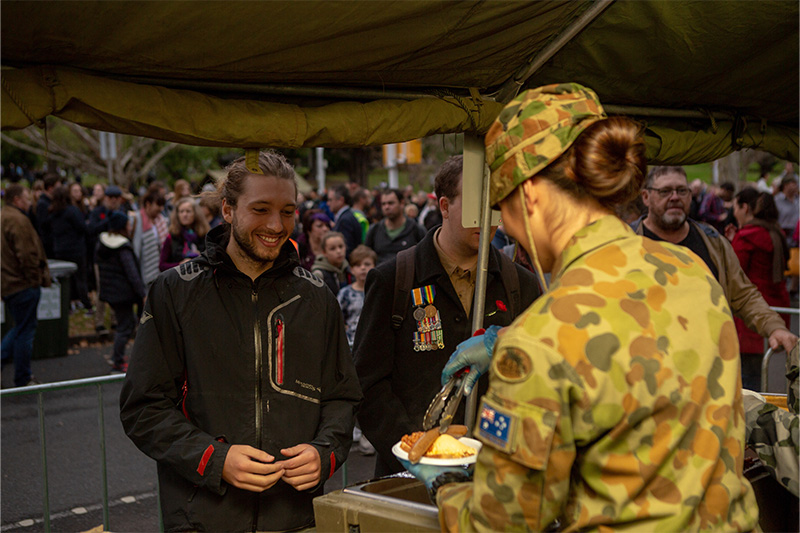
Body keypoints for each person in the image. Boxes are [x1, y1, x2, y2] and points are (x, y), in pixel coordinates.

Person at [410, 83, 759, 531]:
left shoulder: (538, 340)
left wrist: (447, 486)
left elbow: (503, 522)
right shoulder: (690, 272)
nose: (505, 228)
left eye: (503, 207)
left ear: (531, 194)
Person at [119, 150, 361, 531]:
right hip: (201, 519)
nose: (276, 225)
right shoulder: (175, 292)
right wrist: (215, 459)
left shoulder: (318, 298)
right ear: (228, 210)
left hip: (297, 518)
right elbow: (143, 409)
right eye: (261, 209)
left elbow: (341, 398)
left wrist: (324, 453)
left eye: (287, 211)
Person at [354, 155, 540, 476]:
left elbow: (537, 379)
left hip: (494, 473)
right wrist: (416, 449)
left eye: (496, 203)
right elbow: (367, 384)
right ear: (444, 206)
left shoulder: (520, 284)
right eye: (475, 204)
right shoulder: (394, 279)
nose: (486, 215)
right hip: (410, 470)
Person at [632, 166, 796, 358]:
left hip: (706, 366)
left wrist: (775, 327)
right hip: (645, 365)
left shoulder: (712, 242)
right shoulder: (625, 243)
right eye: (665, 191)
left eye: (682, 190)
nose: (675, 197)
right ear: (646, 197)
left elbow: (743, 294)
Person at [726, 188, 791, 389]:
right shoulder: (775, 232)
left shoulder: (747, 236)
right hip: (776, 305)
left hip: (752, 315)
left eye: (735, 207)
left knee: (747, 377)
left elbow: (734, 273)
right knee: (759, 371)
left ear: (745, 208)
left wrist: (731, 243)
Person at [1, 184, 51, 387]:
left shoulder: (4, 216)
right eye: (27, 198)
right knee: (24, 330)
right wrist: (34, 280)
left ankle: (21, 374)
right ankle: (23, 376)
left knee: (19, 328)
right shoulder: (18, 220)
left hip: (9, 283)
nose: (30, 202)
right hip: (22, 283)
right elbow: (27, 254)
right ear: (16, 200)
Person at [95, 211, 145, 373]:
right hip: (123, 294)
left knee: (125, 323)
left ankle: (118, 356)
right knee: (125, 326)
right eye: (128, 224)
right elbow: (132, 273)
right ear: (122, 227)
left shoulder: (102, 243)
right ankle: (117, 360)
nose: (130, 227)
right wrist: (141, 293)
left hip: (111, 292)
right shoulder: (122, 248)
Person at [49, 184, 93, 310]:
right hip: (76, 249)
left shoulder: (52, 212)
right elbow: (83, 227)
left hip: (60, 250)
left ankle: (66, 304)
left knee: (65, 280)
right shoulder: (72, 211)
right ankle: (86, 303)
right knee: (80, 278)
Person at [364, 188, 426, 265]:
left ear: (402, 203)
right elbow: (366, 257)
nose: (386, 207)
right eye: (383, 204)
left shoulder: (416, 230)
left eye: (391, 203)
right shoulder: (374, 230)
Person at [337, 245, 376, 346]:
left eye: (367, 264)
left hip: (374, 342)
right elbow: (338, 320)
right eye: (358, 265)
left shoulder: (378, 292)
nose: (363, 268)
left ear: (375, 266)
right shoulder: (345, 293)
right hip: (351, 343)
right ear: (351, 269)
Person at [159, 197, 209, 271]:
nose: (184, 215)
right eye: (181, 211)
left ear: (195, 213)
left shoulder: (205, 235)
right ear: (177, 215)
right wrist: (180, 265)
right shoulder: (172, 237)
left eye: (188, 211)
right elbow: (162, 265)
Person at [130, 190, 168, 290]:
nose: (161, 208)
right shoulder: (136, 219)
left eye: (162, 205)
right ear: (148, 204)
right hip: (141, 267)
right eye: (158, 205)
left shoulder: (161, 221)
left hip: (158, 268)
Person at [311, 231, 352, 297]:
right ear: (324, 252)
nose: (338, 251)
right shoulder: (319, 274)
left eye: (341, 246)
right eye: (332, 249)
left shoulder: (350, 269)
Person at [329, 184, 363, 257]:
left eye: (330, 200)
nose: (328, 203)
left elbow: (346, 250)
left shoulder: (345, 220)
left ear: (341, 200)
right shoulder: (347, 216)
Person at [35, 173, 61, 258]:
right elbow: (43, 223)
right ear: (50, 188)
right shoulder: (42, 204)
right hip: (48, 243)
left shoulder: (51, 202)